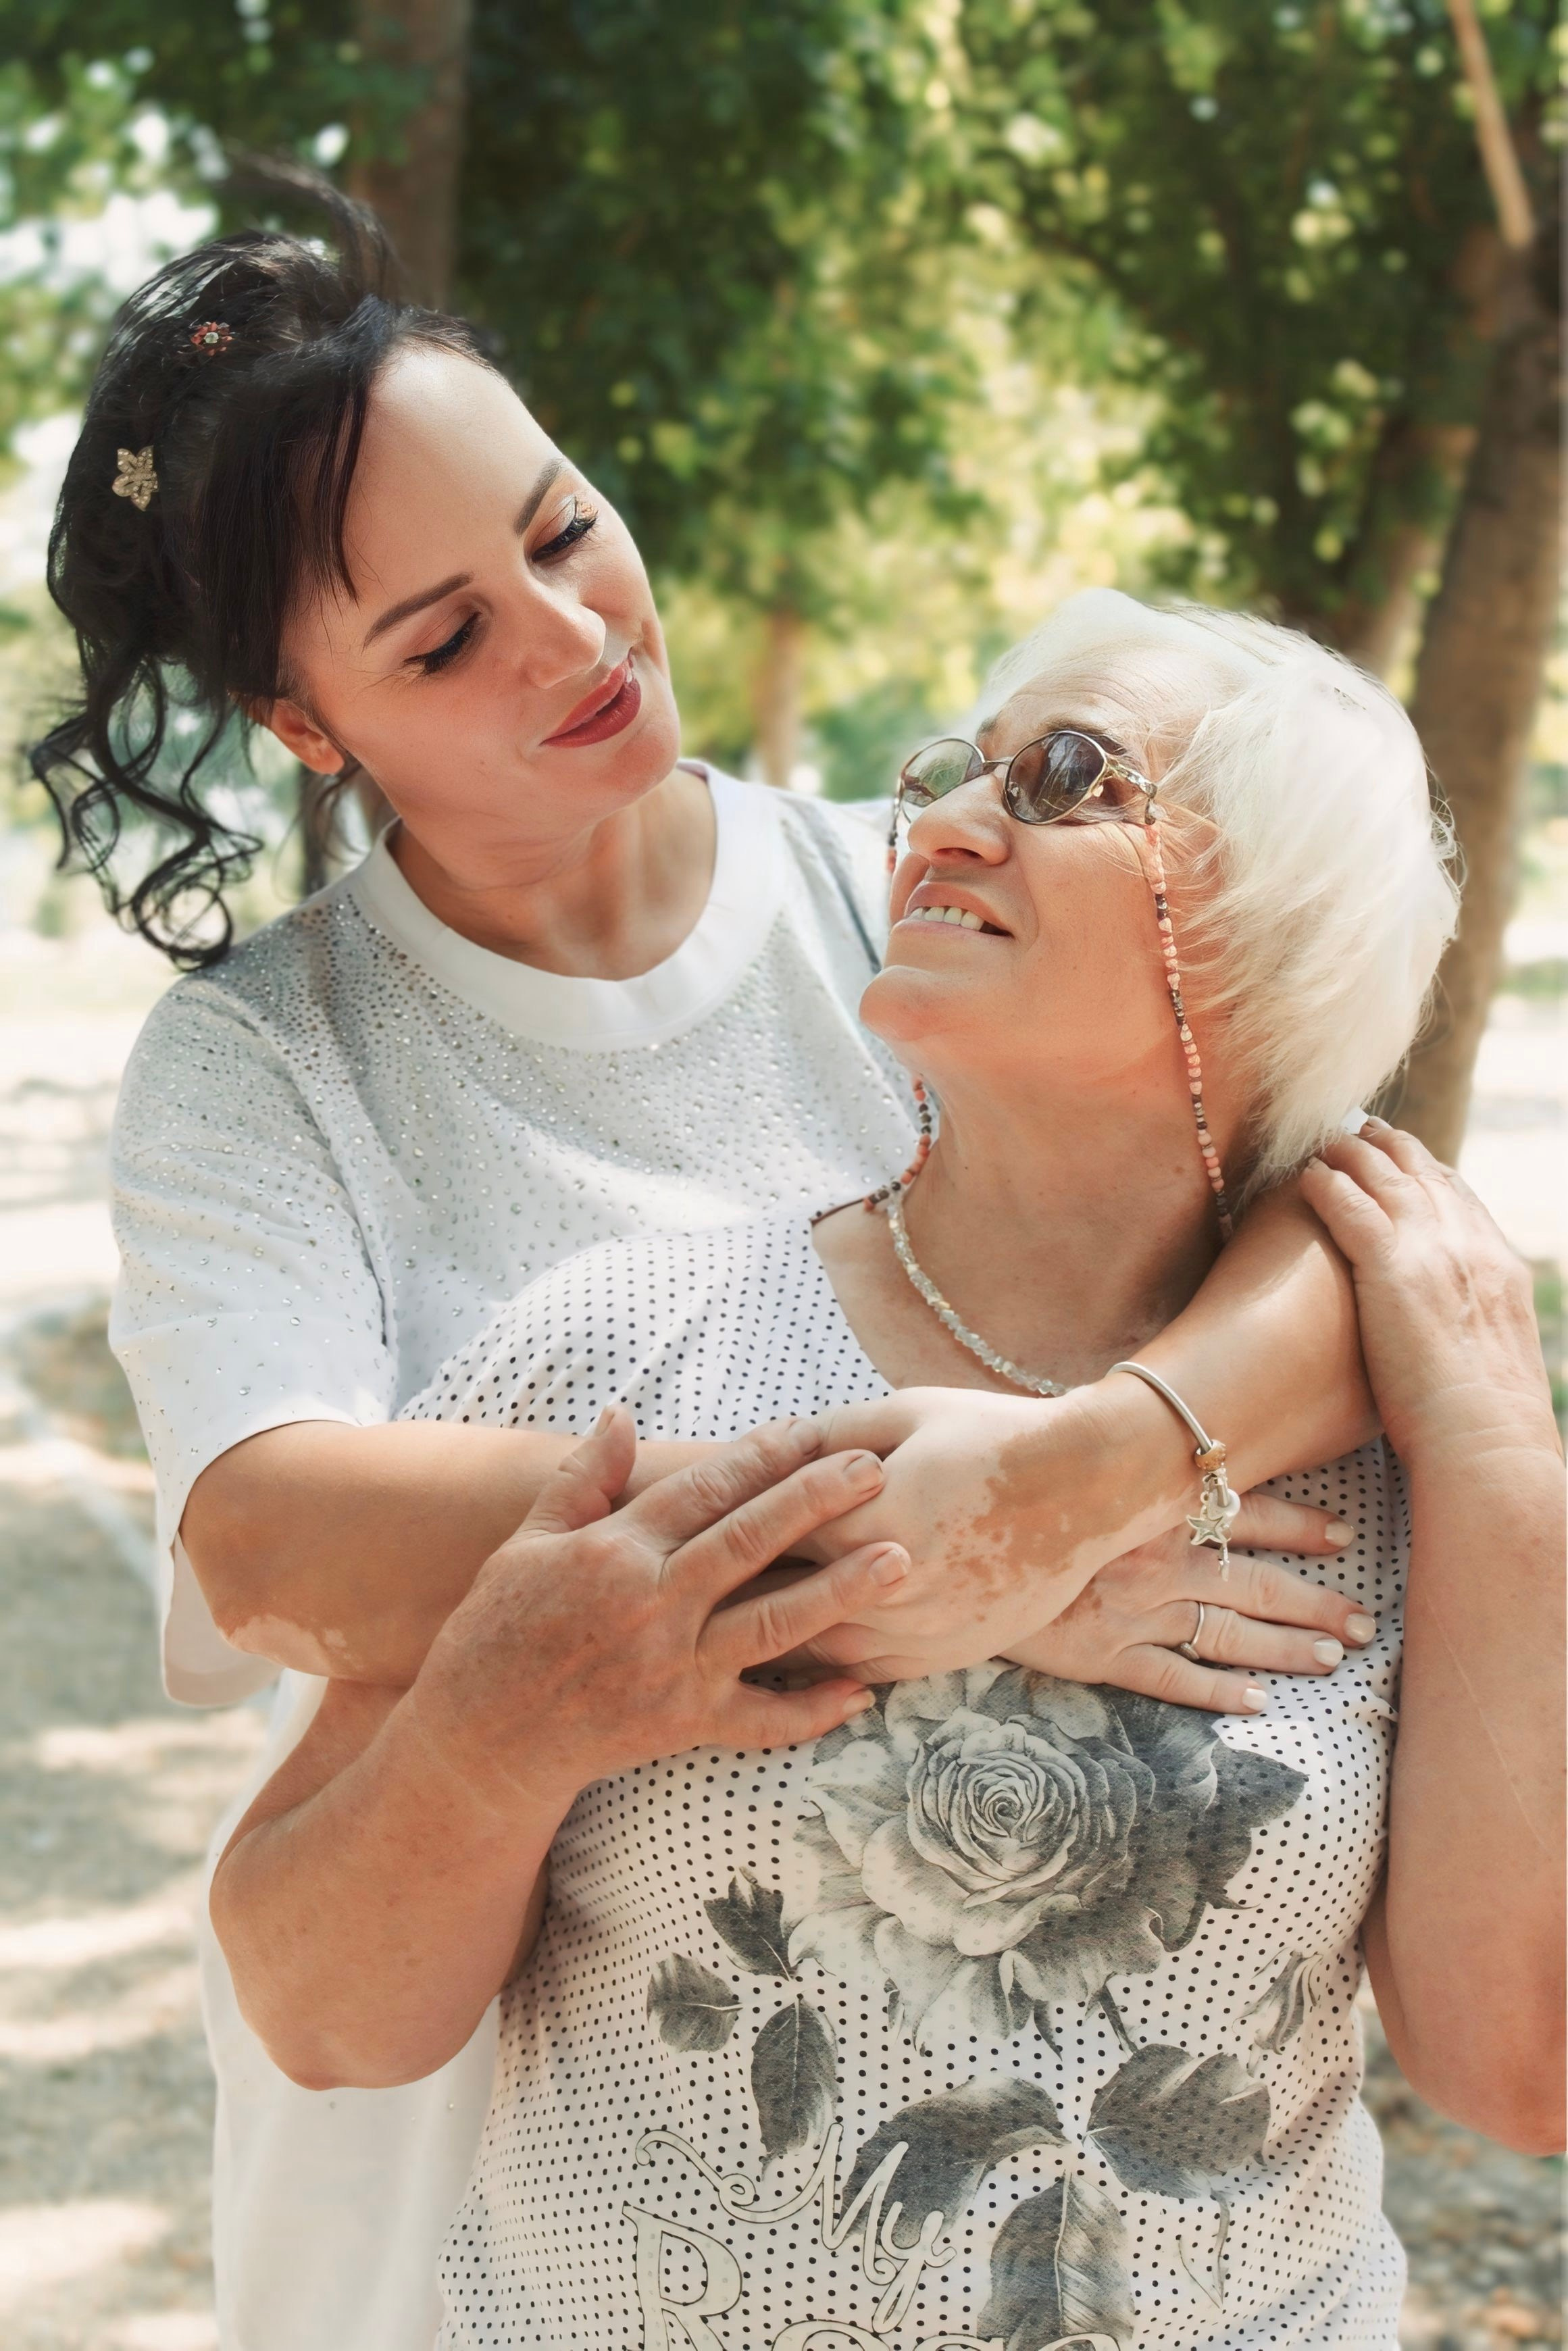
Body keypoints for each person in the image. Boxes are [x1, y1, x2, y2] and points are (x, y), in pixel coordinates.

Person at [36, 197, 1382, 2350]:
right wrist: (938, 1554)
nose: (575, 644)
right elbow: (279, 1538)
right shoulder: (264, 1064)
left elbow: (1353, 1233)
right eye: (442, 639)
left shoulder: (909, 895)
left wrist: (1083, 1473)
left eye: (567, 534)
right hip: (458, 2122)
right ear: (305, 724)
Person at [211, 593, 1565, 2350]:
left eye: (1064, 776)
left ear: (1271, 915)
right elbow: (318, 2014)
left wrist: (1497, 1453)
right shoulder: (631, 1342)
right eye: (948, 771)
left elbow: (1520, 2065)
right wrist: (514, 1715)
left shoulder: (1393, 1458)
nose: (939, 818)